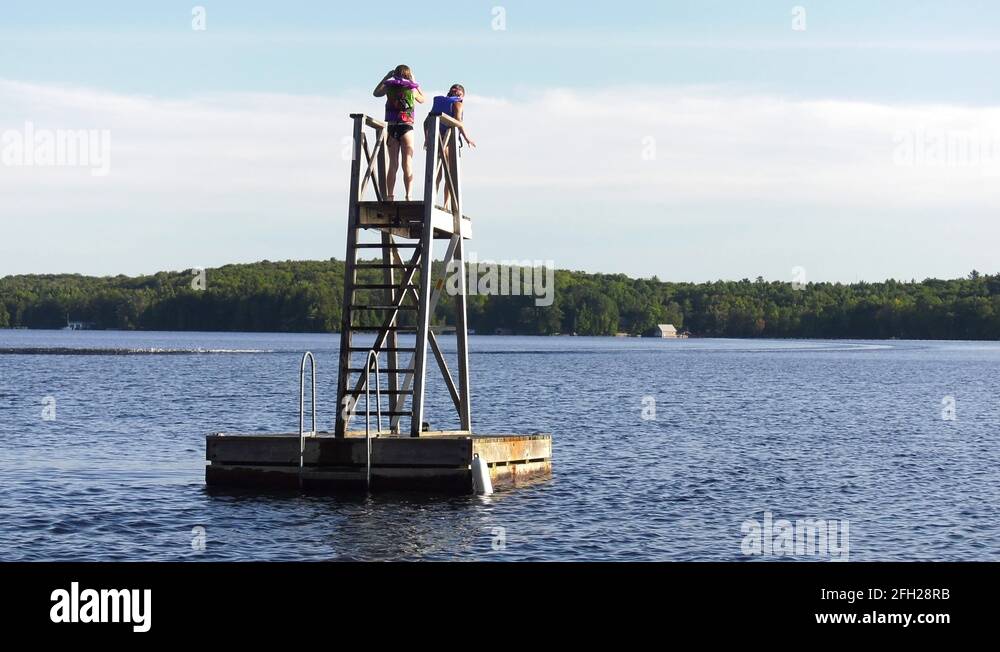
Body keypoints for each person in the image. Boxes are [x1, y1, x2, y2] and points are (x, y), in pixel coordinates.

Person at [373, 65, 425, 200]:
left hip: (392, 127)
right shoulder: (411, 89)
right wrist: (415, 82)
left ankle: (390, 196)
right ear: (408, 76)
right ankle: (408, 195)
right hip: (406, 127)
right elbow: (423, 99)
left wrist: (386, 77)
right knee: (407, 163)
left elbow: (376, 93)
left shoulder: (389, 87)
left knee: (393, 164)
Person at [425, 84, 476, 210]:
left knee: (437, 173)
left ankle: (432, 201)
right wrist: (466, 137)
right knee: (449, 173)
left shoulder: (440, 102)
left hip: (436, 138)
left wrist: (426, 139)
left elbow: (425, 122)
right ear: (462, 95)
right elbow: (458, 122)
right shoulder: (458, 104)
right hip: (449, 141)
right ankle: (446, 205)